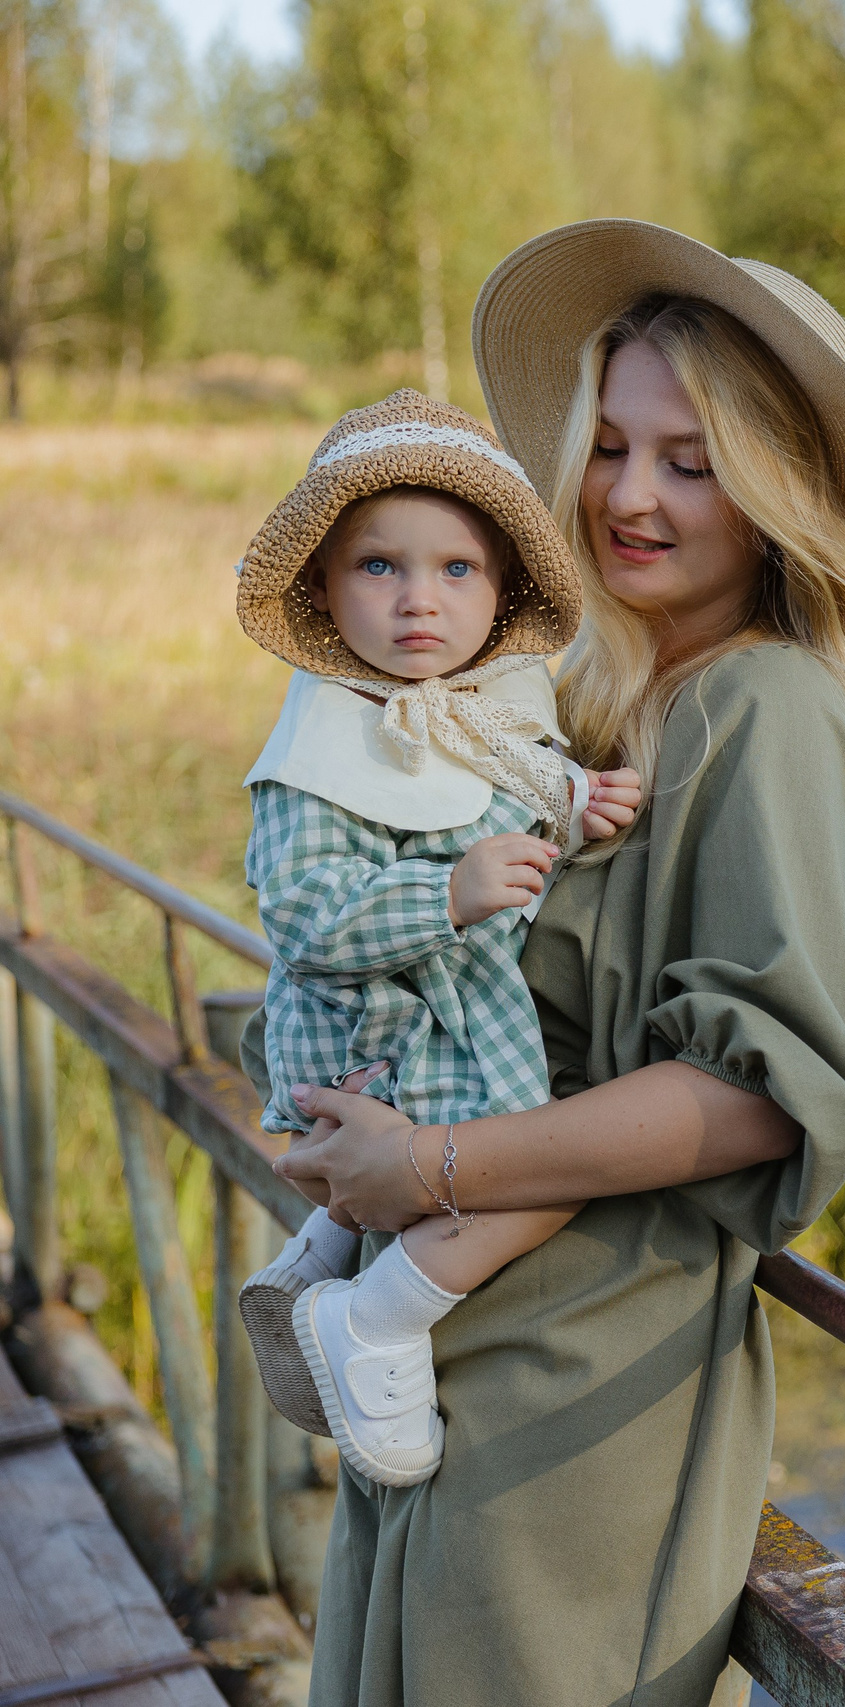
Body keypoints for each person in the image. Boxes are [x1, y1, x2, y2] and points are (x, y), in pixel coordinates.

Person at [268, 220, 845, 1707]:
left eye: (691, 457)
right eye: (609, 444)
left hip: (583, 1395)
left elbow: (760, 1096)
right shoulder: (589, 708)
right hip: (446, 1354)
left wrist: (436, 1167)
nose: (629, 493)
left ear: (778, 489)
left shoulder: (770, 708)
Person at [228, 390, 644, 1487]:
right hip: (391, 1038)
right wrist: (446, 893)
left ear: (500, 588)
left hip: (452, 1026)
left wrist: (577, 800)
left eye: (456, 570)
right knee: (558, 1170)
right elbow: (305, 914)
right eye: (380, 567)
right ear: (322, 583)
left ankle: (317, 1254)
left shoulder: (479, 702)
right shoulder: (322, 733)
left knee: (542, 1151)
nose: (420, 601)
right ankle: (377, 1316)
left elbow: (509, 778)